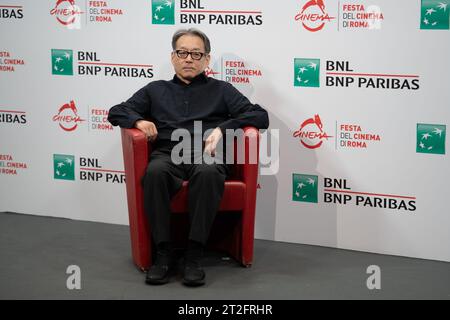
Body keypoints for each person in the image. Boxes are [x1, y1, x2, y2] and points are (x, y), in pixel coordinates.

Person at [108, 28, 269, 286]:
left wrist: (222, 129)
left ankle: (194, 254)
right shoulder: (155, 90)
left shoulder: (222, 90)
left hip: (207, 153)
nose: (188, 59)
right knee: (155, 173)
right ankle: (163, 253)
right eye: (182, 52)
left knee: (208, 171)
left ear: (206, 60)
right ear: (173, 57)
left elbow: (260, 116)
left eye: (196, 54)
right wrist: (137, 120)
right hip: (167, 154)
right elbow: (117, 111)